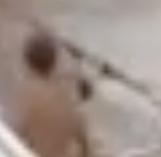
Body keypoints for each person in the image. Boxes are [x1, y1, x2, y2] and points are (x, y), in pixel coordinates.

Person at [6, 26, 97, 157]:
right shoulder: (68, 101)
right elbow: (86, 147)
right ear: (54, 62)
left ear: (27, 61)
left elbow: (13, 134)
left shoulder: (22, 97)